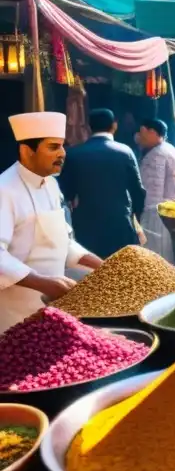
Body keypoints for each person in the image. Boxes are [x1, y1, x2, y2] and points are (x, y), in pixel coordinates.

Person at [0, 112, 103, 333]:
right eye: (53, 147)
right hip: (14, 313)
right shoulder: (4, 190)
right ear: (26, 151)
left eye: (62, 146)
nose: (63, 153)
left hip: (53, 309)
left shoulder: (51, 185)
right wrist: (43, 282)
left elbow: (64, 240)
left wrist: (103, 267)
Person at [58, 109, 146, 259]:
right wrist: (136, 218)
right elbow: (138, 191)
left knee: (92, 271)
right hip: (119, 222)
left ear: (89, 127)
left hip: (85, 223)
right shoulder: (125, 152)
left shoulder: (73, 154)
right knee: (121, 271)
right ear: (114, 125)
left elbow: (66, 193)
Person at [137, 118, 175, 261]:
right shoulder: (170, 149)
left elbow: (152, 190)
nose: (139, 137)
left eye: (142, 132)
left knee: (157, 257)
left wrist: (142, 214)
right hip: (172, 211)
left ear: (152, 132)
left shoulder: (157, 155)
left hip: (157, 215)